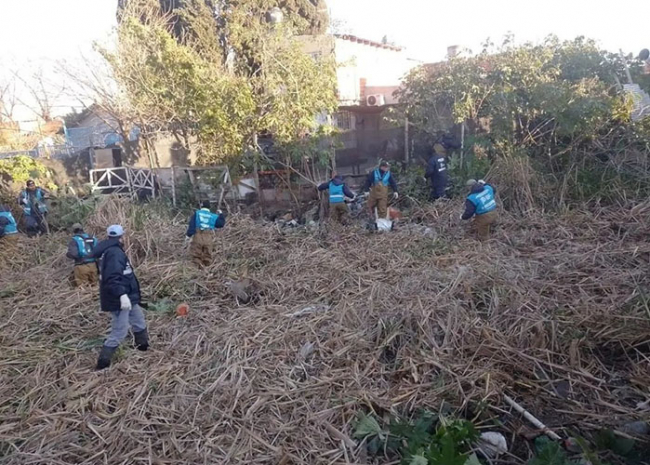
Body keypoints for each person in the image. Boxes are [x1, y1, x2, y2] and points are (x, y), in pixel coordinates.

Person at [93, 225, 148, 370]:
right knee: (120, 330)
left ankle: (143, 348)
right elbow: (112, 278)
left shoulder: (113, 250)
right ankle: (103, 364)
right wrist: (122, 296)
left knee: (138, 320)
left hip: (128, 295)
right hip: (119, 297)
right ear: (122, 236)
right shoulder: (114, 253)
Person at [185, 201, 226, 267]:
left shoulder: (197, 213)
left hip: (198, 235)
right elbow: (221, 224)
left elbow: (192, 225)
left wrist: (188, 235)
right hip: (208, 236)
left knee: (196, 254)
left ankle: (197, 269)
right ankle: (206, 269)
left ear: (201, 206)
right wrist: (221, 215)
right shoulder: (213, 216)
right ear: (209, 207)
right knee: (207, 254)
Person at [66, 223, 99, 287]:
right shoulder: (92, 238)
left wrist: (68, 254)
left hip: (81, 266)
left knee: (83, 288)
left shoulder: (75, 240)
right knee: (95, 287)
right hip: (93, 265)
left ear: (74, 231)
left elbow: (74, 254)